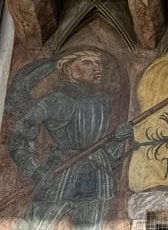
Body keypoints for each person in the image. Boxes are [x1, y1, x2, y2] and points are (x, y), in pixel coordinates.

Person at [8, 50, 132, 230]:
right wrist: (36, 170)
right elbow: (17, 137)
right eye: (87, 63)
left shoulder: (104, 102)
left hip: (97, 180)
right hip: (60, 178)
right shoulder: (54, 101)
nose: (97, 68)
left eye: (98, 63)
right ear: (67, 68)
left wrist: (117, 140)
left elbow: (106, 151)